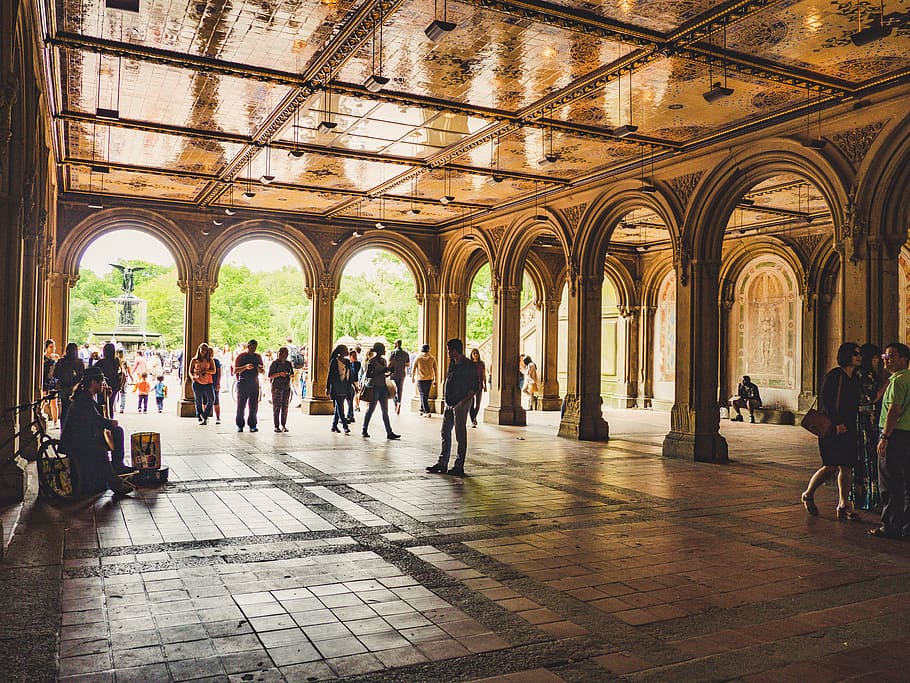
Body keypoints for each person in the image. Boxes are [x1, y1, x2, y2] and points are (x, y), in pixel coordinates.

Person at [800, 342, 862, 519]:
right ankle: (808, 493)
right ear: (846, 355)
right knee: (830, 466)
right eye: (854, 353)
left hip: (849, 428)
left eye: (859, 354)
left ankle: (844, 504)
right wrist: (837, 423)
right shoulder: (835, 375)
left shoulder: (854, 377)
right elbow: (826, 402)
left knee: (847, 466)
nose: (859, 356)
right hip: (832, 428)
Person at [60, 366, 136, 497]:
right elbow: (94, 418)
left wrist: (107, 398)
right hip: (76, 441)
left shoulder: (90, 395)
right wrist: (109, 423)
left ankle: (118, 465)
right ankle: (115, 484)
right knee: (99, 449)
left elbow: (96, 412)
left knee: (118, 431)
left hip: (86, 435)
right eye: (100, 382)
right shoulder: (83, 398)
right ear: (93, 383)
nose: (102, 385)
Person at [869, 343, 910, 539]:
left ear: (904, 359)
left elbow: (893, 411)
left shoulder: (898, 381)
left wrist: (884, 437)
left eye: (892, 356)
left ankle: (891, 526)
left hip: (895, 436)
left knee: (890, 481)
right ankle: (907, 526)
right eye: (885, 355)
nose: (886, 358)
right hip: (908, 434)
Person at [426, 338, 478, 477]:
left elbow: (474, 387)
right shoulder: (452, 363)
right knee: (445, 432)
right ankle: (442, 463)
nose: (448, 352)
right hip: (449, 403)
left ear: (455, 350)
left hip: (460, 403)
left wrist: (462, 403)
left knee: (460, 435)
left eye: (449, 350)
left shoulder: (468, 365)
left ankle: (459, 466)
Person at [854, 343, 887, 510]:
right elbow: (871, 397)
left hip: (859, 419)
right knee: (870, 456)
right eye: (876, 358)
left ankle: (858, 496)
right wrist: (887, 385)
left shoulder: (857, 373)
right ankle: (871, 497)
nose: (878, 361)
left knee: (860, 457)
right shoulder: (867, 374)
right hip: (867, 419)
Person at [361, 342, 400, 440]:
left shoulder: (383, 361)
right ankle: (364, 429)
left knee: (385, 411)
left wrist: (390, 371)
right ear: (378, 350)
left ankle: (389, 432)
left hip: (382, 387)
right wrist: (383, 371)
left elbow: (383, 374)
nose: (384, 350)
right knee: (371, 409)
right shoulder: (372, 361)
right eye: (383, 349)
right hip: (374, 387)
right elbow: (369, 375)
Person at [235, 339, 264, 432]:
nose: (253, 349)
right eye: (251, 347)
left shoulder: (258, 357)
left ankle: (252, 424)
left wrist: (260, 369)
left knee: (254, 405)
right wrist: (245, 367)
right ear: (248, 346)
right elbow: (235, 370)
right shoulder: (241, 356)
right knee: (241, 405)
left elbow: (262, 371)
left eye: (255, 348)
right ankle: (240, 424)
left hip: (254, 382)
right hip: (243, 382)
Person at [54, 342, 85, 426]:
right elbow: (82, 376)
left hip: (63, 388)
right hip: (75, 388)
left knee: (65, 410)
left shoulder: (61, 362)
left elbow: (56, 374)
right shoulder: (79, 362)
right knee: (75, 411)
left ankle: (63, 430)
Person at [326, 344, 352, 434]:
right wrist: (327, 387)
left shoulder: (348, 362)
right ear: (340, 352)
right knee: (340, 406)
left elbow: (350, 374)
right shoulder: (334, 361)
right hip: (336, 386)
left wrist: (353, 386)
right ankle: (345, 426)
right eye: (345, 350)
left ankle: (334, 425)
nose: (346, 351)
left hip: (344, 386)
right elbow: (330, 375)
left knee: (338, 405)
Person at [267, 346, 294, 432]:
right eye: (284, 354)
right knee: (276, 407)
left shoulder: (288, 364)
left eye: (287, 354)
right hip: (277, 387)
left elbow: (292, 374)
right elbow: (270, 375)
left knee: (285, 407)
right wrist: (279, 374)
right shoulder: (275, 363)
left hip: (286, 387)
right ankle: (276, 425)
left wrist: (288, 374)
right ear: (280, 354)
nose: (285, 356)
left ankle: (284, 425)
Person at [189, 343, 216, 425]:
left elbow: (214, 371)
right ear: (199, 350)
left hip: (208, 382)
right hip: (197, 382)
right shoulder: (194, 360)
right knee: (198, 401)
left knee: (211, 399)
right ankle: (200, 416)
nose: (203, 351)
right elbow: (190, 371)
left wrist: (206, 371)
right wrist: (192, 377)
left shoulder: (210, 360)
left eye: (205, 350)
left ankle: (205, 415)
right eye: (202, 349)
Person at [95, 342, 123, 418]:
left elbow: (92, 369)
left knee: (101, 404)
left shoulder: (102, 362)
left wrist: (92, 359)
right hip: (114, 385)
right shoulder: (116, 361)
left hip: (103, 385)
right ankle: (110, 420)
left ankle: (103, 420)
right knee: (110, 404)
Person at [412, 344, 437, 417]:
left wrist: (413, 377)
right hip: (429, 379)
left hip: (421, 379)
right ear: (429, 350)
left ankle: (427, 411)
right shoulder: (432, 358)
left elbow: (414, 368)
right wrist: (435, 379)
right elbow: (435, 369)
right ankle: (421, 409)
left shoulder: (418, 358)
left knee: (422, 395)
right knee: (425, 395)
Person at [388, 339, 410, 415]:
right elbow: (408, 364)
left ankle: (396, 403)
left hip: (394, 373)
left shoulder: (393, 352)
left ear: (397, 344)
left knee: (393, 389)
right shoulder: (405, 353)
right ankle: (399, 402)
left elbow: (390, 363)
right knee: (400, 389)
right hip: (402, 373)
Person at [41, 339, 59, 429]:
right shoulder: (42, 358)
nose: (53, 349)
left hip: (53, 381)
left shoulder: (56, 357)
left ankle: (55, 422)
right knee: (43, 401)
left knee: (54, 402)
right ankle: (40, 415)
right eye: (51, 347)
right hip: (45, 381)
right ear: (46, 348)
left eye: (54, 347)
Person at [469, 348, 487, 427]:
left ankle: (474, 417)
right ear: (471, 355)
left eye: (477, 353)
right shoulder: (469, 364)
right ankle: (473, 420)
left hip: (479, 385)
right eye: (474, 353)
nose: (475, 355)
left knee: (478, 405)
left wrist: (485, 385)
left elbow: (484, 375)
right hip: (471, 386)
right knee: (471, 404)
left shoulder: (481, 363)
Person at [286, 337, 305, 407]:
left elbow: (288, 359)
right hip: (299, 367)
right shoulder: (296, 347)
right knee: (297, 384)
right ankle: (300, 400)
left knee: (288, 383)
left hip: (292, 367)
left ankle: (288, 400)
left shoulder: (287, 347)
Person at [346, 349, 360, 422]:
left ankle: (350, 415)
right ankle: (351, 415)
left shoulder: (357, 363)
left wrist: (353, 362)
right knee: (349, 400)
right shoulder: (348, 363)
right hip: (349, 382)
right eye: (352, 355)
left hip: (355, 381)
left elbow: (354, 372)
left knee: (351, 399)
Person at [116, 348, 131, 413]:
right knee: (123, 393)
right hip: (124, 378)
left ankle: (113, 408)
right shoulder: (126, 362)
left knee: (114, 392)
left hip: (116, 377)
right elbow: (129, 372)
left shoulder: (115, 361)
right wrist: (132, 379)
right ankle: (122, 408)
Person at [212, 352, 223, 425]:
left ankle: (218, 417)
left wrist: (218, 383)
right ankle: (205, 416)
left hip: (214, 382)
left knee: (216, 400)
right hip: (205, 382)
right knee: (204, 400)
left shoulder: (216, 361)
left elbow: (219, 373)